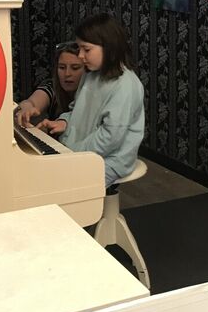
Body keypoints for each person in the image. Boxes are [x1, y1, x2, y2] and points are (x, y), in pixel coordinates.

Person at [39, 14, 145, 188]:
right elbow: (77, 109)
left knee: (64, 188)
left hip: (110, 161)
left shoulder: (126, 86)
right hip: (83, 153)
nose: (80, 55)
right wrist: (64, 122)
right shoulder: (90, 75)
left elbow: (110, 138)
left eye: (86, 50)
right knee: (45, 179)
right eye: (79, 49)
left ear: (108, 47)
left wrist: (74, 153)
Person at [15, 41, 85, 126]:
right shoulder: (52, 87)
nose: (67, 73)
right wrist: (26, 107)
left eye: (75, 68)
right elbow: (32, 102)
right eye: (62, 67)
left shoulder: (93, 91)